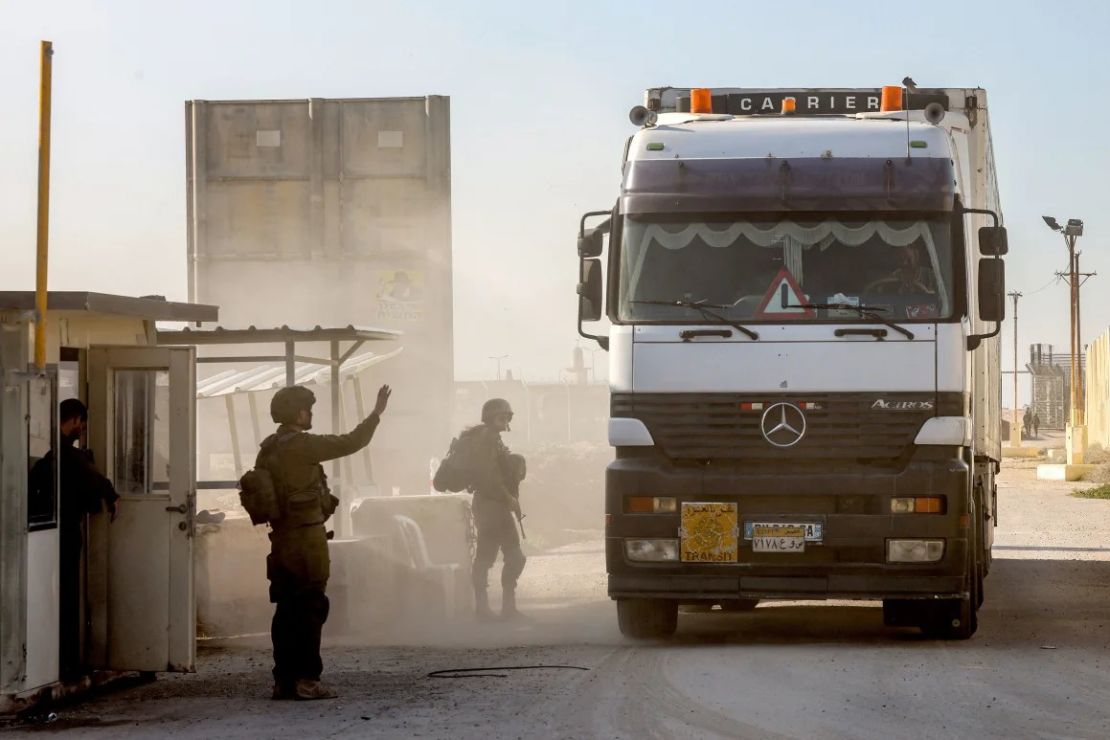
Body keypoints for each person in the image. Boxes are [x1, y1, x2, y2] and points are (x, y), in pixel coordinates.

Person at [262, 383, 391, 701]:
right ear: (297, 413)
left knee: (286, 611)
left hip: (280, 541)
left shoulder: (268, 447)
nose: (310, 414)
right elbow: (351, 442)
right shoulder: (302, 445)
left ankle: (284, 681)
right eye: (307, 409)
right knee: (311, 607)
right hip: (306, 539)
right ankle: (307, 680)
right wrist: (375, 413)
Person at [28, 399, 120, 681]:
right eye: (82, 424)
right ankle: (65, 664)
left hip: (45, 530)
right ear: (76, 419)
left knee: (51, 596)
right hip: (64, 530)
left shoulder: (48, 449)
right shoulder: (65, 453)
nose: (81, 429)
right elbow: (92, 479)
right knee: (65, 597)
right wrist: (110, 494)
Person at [459, 398, 528, 621]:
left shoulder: (492, 439)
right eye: (501, 416)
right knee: (486, 557)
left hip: (496, 504)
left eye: (507, 416)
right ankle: (483, 609)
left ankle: (505, 608)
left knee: (513, 556)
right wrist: (508, 498)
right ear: (489, 418)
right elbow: (488, 475)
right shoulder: (486, 439)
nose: (505, 420)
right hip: (490, 505)